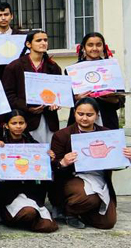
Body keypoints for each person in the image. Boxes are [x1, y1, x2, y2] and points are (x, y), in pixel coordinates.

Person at [51, 97, 131, 229]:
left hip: (100, 178)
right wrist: (63, 162)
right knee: (90, 197)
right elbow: (53, 167)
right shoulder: (62, 135)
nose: (84, 118)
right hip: (73, 177)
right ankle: (68, 210)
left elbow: (118, 163)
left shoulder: (107, 134)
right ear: (74, 113)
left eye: (89, 115)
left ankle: (79, 213)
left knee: (107, 223)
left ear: (97, 114)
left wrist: (126, 158)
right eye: (80, 114)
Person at [0, 111, 57, 233]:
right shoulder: (1, 145)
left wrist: (48, 157)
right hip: (9, 194)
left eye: (21, 123)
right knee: (28, 212)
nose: (18, 126)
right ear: (6, 125)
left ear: (25, 125)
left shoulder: (34, 145)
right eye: (14, 123)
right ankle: (7, 215)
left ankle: (28, 219)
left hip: (31, 192)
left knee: (48, 226)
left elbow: (42, 169)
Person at [2, 30, 61, 144]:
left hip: (49, 119)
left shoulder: (53, 67)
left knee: (49, 153)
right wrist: (27, 107)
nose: (43, 43)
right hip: (26, 119)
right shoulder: (14, 66)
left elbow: (59, 92)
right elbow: (8, 95)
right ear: (28, 44)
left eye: (45, 40)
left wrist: (56, 103)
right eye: (39, 40)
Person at [67, 32, 124, 129]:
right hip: (80, 121)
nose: (94, 48)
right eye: (90, 45)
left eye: (98, 45)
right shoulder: (74, 70)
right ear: (83, 48)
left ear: (103, 47)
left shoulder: (111, 68)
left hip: (107, 119)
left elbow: (121, 100)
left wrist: (112, 99)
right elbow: (66, 98)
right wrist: (77, 98)